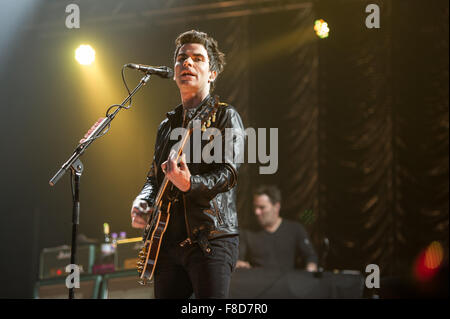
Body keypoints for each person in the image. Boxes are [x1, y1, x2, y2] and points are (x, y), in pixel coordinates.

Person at [129, 30, 244, 299]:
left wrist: (190, 184)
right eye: (181, 58)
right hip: (167, 243)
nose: (187, 63)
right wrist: (143, 200)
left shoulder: (225, 116)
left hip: (211, 239)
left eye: (197, 58)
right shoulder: (166, 125)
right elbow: (154, 177)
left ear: (212, 73)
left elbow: (228, 174)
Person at [236, 185, 318, 272]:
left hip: (287, 282)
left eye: (262, 207)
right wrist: (239, 264)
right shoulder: (246, 232)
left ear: (276, 207)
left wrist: (311, 266)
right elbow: (238, 259)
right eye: (255, 207)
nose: (257, 212)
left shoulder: (295, 229)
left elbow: (311, 256)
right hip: (258, 283)